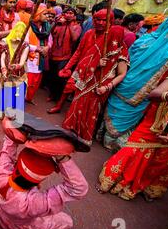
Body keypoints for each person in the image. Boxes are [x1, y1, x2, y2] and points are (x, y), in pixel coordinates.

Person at [0, 118, 88, 229]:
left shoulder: (2, 173)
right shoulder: (34, 202)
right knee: (67, 222)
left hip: (1, 211)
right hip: (22, 225)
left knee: (4, 209)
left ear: (18, 163)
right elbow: (78, 189)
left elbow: (7, 153)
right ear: (39, 180)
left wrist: (16, 134)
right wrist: (62, 158)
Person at [97, 67, 168, 201]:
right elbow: (154, 94)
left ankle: (145, 187)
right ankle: (112, 181)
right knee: (133, 150)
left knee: (163, 161)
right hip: (155, 125)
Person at [54, 9, 129, 145]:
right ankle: (70, 128)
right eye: (97, 20)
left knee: (91, 109)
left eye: (104, 20)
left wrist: (107, 86)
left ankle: (83, 135)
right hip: (84, 73)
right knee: (76, 102)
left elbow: (121, 73)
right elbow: (79, 52)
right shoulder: (89, 33)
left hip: (100, 83)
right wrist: (69, 67)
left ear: (110, 24)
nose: (100, 23)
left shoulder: (119, 48)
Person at [103, 16, 168, 151]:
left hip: (123, 81)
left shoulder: (146, 39)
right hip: (140, 92)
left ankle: (106, 138)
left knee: (115, 109)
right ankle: (116, 145)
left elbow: (127, 57)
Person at [46, 7, 82, 106]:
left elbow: (74, 38)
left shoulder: (76, 26)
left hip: (64, 57)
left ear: (74, 16)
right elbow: (49, 32)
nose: (69, 15)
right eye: (67, 13)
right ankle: (52, 95)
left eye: (71, 13)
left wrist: (69, 24)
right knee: (52, 77)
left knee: (60, 79)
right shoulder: (59, 23)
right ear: (63, 14)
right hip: (53, 55)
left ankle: (58, 98)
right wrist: (55, 22)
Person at [0, 22, 29, 119]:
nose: (18, 34)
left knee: (16, 92)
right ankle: (0, 111)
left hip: (18, 74)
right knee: (4, 90)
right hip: (6, 73)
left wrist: (18, 66)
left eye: (21, 32)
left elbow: (23, 60)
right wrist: (4, 69)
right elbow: (2, 58)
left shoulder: (25, 46)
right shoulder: (6, 43)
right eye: (17, 31)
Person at [25, 4, 52, 104]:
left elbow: (50, 41)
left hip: (40, 59)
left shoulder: (47, 28)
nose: (47, 16)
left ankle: (30, 97)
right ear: (38, 14)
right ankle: (24, 97)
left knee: (36, 81)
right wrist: (38, 48)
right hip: (29, 58)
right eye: (44, 14)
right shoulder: (30, 27)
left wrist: (47, 47)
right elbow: (25, 43)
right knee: (28, 79)